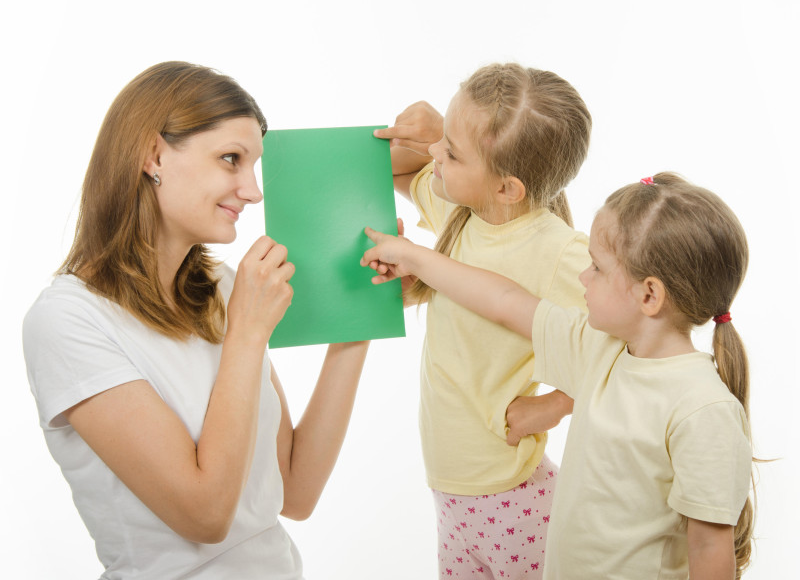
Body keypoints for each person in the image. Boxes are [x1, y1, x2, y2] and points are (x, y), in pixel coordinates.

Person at [22, 61, 370, 579]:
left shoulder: (223, 287)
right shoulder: (67, 321)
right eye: (231, 159)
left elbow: (294, 491)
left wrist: (358, 318)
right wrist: (247, 333)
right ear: (154, 154)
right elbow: (204, 514)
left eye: (253, 166)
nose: (253, 191)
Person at [361, 172, 755, 579]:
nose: (583, 276)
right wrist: (415, 258)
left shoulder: (702, 409)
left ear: (649, 295)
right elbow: (504, 300)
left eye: (597, 268)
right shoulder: (598, 351)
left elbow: (710, 547)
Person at [373, 63, 593, 578]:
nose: (434, 158)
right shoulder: (461, 206)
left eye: (451, 154)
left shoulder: (557, 250)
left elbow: (630, 346)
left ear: (508, 188)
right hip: (452, 488)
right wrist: (434, 133)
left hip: (509, 495)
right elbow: (399, 170)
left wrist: (552, 407)